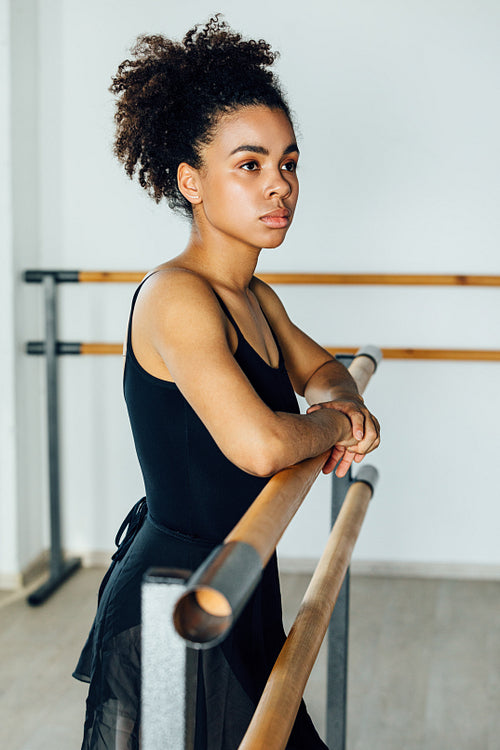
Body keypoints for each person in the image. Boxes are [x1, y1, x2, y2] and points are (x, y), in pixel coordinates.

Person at [73, 15, 380, 749]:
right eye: (250, 164)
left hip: (239, 578)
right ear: (191, 181)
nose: (279, 184)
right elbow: (262, 444)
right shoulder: (177, 295)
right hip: (174, 597)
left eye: (289, 162)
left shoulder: (257, 298)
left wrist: (342, 398)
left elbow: (327, 371)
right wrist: (339, 424)